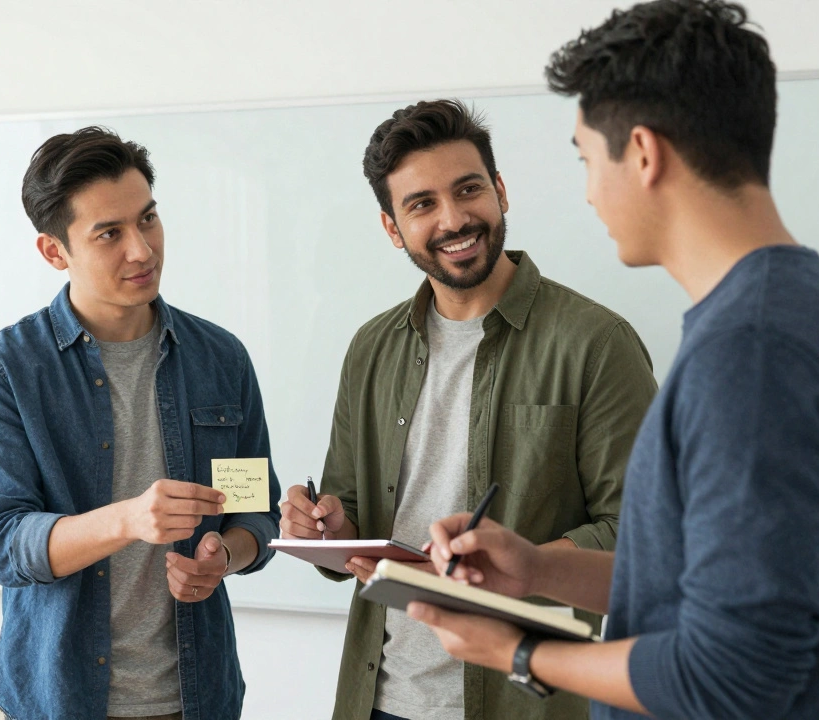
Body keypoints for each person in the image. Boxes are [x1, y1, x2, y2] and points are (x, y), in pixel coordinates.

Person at [411, 3, 819, 719]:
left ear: (642, 152)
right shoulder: (783, 311)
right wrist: (540, 568)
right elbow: (701, 589)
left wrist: (516, 652)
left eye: (585, 158)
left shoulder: (753, 353)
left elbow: (734, 674)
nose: (587, 191)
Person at [280, 99, 658, 720]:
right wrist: (323, 530)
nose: (454, 219)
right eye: (422, 204)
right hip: (380, 698)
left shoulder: (596, 343)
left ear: (501, 191)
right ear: (392, 228)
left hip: (526, 700)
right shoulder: (371, 348)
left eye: (469, 189)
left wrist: (525, 564)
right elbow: (351, 520)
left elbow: (644, 536)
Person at [0, 126, 281, 720]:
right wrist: (129, 519)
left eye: (148, 219)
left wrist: (223, 555)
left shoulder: (221, 359)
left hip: (198, 698)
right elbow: (4, 543)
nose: (142, 249)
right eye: (110, 233)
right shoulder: (4, 370)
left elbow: (255, 512)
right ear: (55, 252)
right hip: (54, 700)